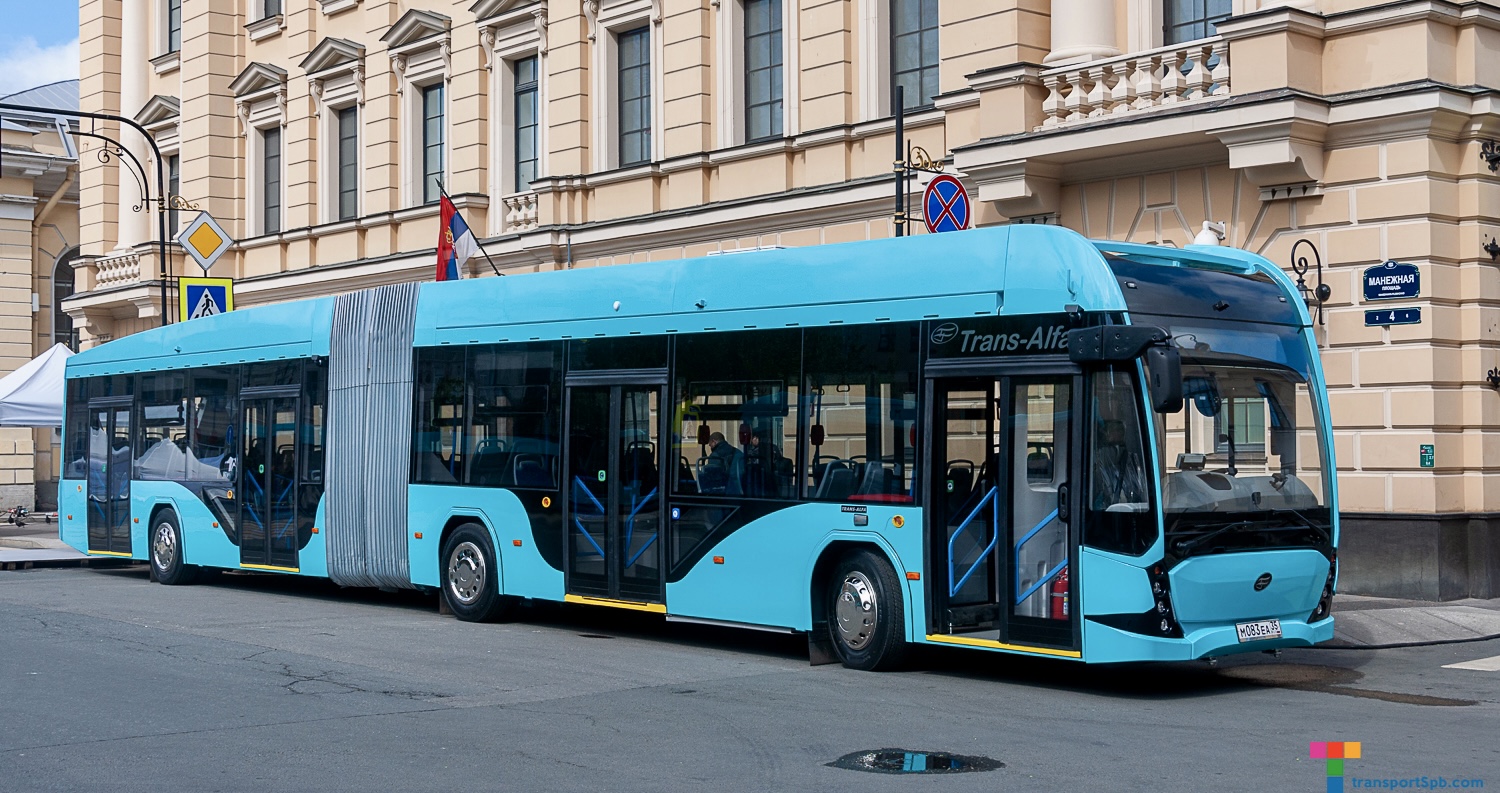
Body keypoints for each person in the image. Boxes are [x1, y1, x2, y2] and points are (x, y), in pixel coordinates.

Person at [701, 431, 744, 495]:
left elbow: (713, 477)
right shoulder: (737, 452)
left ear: (714, 441)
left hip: (727, 492)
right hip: (742, 488)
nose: (710, 447)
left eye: (710, 445)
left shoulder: (715, 455)